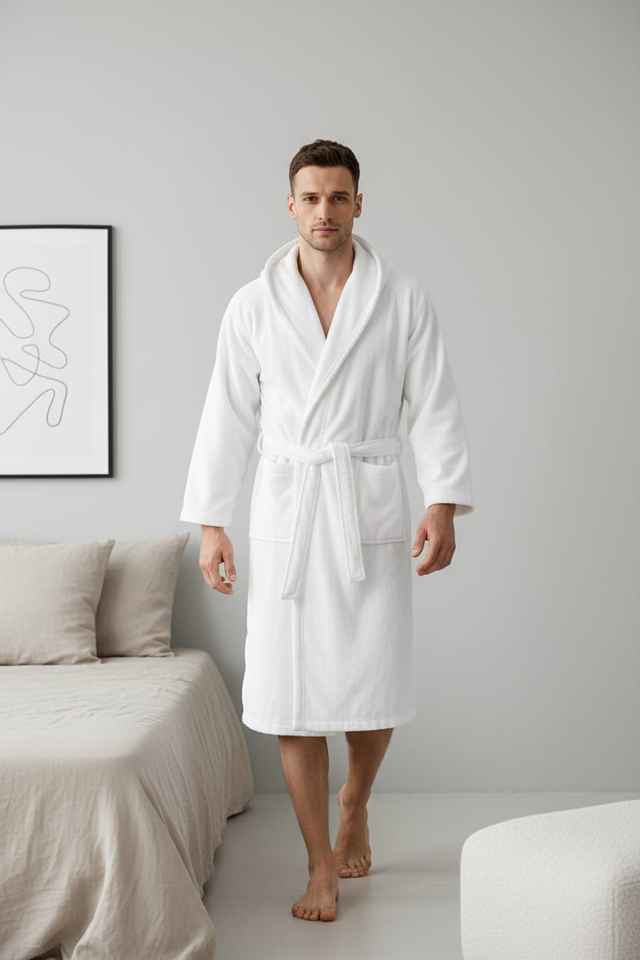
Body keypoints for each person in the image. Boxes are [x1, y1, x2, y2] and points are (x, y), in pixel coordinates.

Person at [180, 138, 474, 922]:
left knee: (373, 689)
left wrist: (442, 501)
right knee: (291, 697)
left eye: (338, 197)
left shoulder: (400, 298)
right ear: (290, 205)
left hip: (366, 504)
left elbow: (434, 401)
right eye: (310, 198)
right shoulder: (253, 305)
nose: (324, 211)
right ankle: (319, 864)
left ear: (358, 204)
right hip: (289, 511)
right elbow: (225, 416)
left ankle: (356, 801)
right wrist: (212, 523)